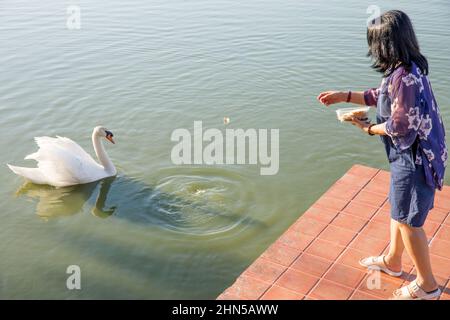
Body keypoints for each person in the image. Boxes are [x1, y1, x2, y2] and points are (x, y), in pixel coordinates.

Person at [317, 10, 447, 300]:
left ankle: (427, 286)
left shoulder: (405, 77)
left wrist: (369, 129)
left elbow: (399, 125)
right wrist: (343, 95)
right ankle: (393, 261)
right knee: (398, 212)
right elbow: (380, 94)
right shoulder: (406, 69)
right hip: (409, 157)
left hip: (414, 161)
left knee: (410, 223)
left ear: (384, 45)